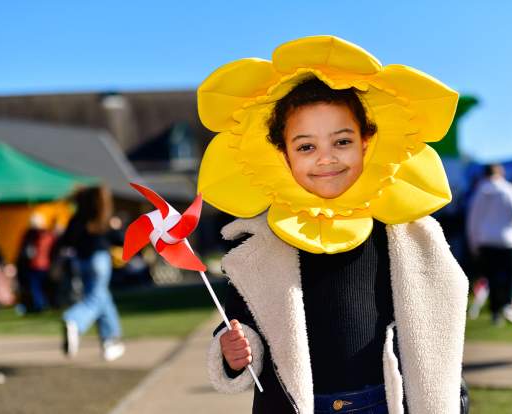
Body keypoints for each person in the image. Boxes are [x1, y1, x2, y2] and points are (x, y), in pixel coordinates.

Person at [199, 36, 469, 413]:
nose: (326, 159)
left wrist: (451, 396)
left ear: (367, 142)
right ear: (283, 154)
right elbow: (242, 324)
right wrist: (232, 349)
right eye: (306, 147)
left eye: (341, 141)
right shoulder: (264, 242)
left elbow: (436, 327)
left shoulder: (403, 233)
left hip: (386, 402)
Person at [56, 186, 125, 361]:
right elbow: (120, 239)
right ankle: (74, 320)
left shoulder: (77, 218)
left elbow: (66, 241)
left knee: (101, 297)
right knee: (96, 299)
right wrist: (116, 227)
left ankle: (110, 341)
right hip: (100, 260)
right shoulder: (103, 218)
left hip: (81, 262)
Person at [467, 164, 512, 325]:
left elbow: (472, 221)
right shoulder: (509, 189)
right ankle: (508, 305)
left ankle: (495, 312)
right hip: (508, 240)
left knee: (492, 277)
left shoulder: (479, 192)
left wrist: (473, 243)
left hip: (486, 241)